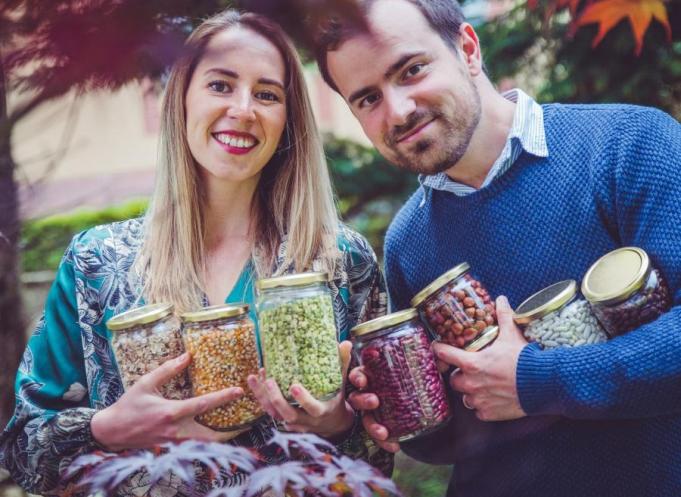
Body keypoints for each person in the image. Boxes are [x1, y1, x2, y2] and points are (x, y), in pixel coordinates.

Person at [0, 9, 392, 496]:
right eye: (221, 86)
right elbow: (23, 450)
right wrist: (104, 429)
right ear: (181, 100)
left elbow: (382, 460)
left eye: (267, 94)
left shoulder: (338, 261)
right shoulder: (97, 264)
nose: (244, 109)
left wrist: (337, 425)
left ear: (288, 121)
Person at [313, 0, 681, 496]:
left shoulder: (628, 145)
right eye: (367, 99)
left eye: (412, 70)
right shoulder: (408, 242)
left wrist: (535, 380)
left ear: (467, 49)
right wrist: (403, 406)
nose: (398, 110)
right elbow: (452, 442)